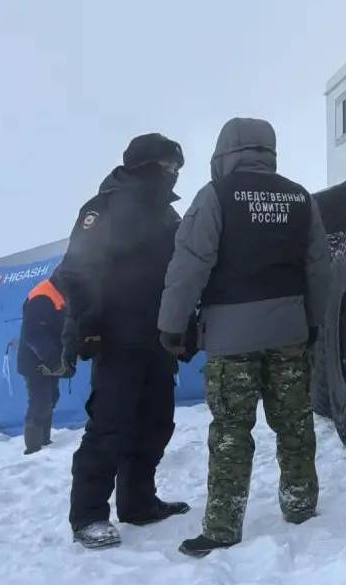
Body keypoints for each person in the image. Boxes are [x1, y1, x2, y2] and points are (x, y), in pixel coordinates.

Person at [157, 117, 330, 557]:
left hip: (232, 340)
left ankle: (222, 527)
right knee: (294, 421)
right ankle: (300, 505)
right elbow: (319, 268)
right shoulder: (299, 197)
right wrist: (313, 321)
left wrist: (172, 325)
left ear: (224, 154)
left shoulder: (215, 197)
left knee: (233, 429)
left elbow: (189, 264)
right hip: (289, 330)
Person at [56, 133, 192, 550]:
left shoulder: (169, 217)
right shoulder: (104, 208)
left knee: (155, 423)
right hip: (116, 337)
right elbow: (76, 271)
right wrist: (90, 326)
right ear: (145, 165)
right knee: (110, 426)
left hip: (158, 339)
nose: (173, 174)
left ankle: (137, 502)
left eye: (176, 168)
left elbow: (184, 273)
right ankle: (89, 515)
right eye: (168, 166)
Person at [17, 275, 73, 454]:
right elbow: (33, 334)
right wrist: (54, 360)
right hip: (35, 361)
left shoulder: (61, 294)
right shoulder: (43, 295)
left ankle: (44, 440)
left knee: (51, 398)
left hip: (50, 360)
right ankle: (33, 448)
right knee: (40, 401)